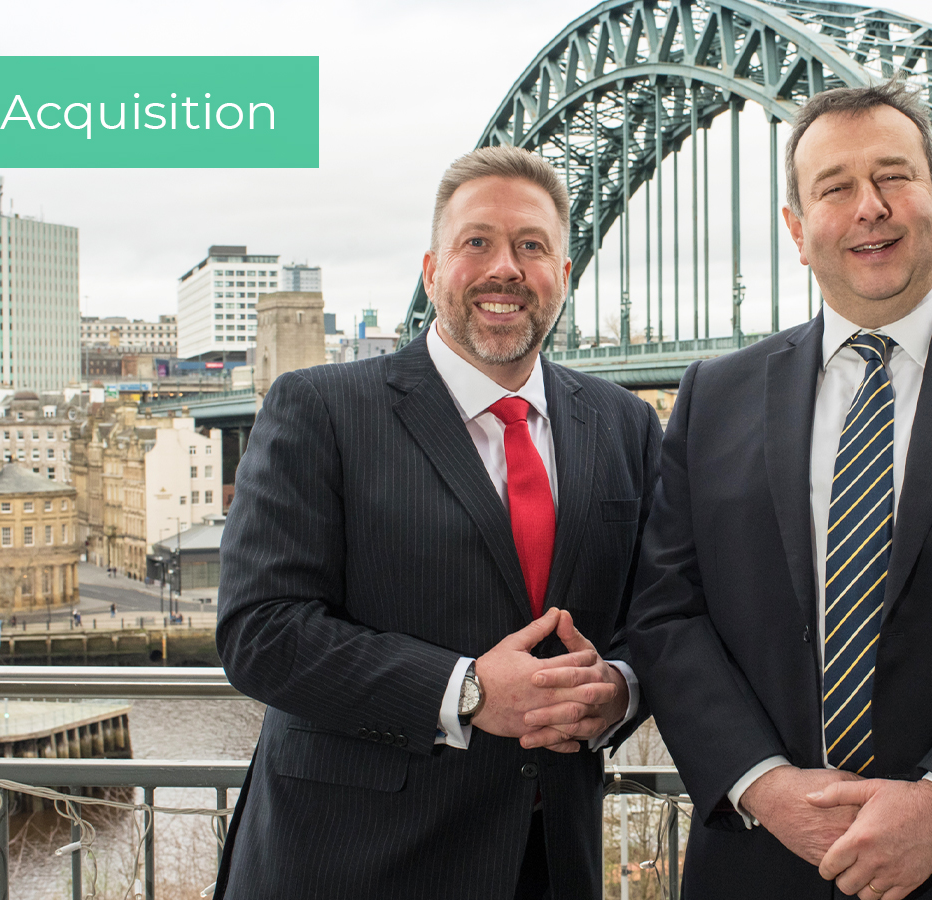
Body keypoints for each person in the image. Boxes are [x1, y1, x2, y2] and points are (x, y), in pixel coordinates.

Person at [627, 81, 932, 899]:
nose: (869, 208)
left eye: (893, 177)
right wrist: (762, 784)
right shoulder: (713, 393)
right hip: (766, 859)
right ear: (798, 230)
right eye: (834, 187)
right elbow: (666, 613)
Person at [214, 145, 661, 899]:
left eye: (532, 247)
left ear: (565, 275)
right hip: (349, 863)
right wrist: (469, 691)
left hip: (548, 860)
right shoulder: (320, 409)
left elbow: (661, 616)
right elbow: (260, 633)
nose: (505, 270)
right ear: (432, 271)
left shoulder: (625, 424)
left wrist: (619, 689)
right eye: (476, 242)